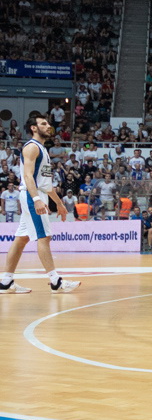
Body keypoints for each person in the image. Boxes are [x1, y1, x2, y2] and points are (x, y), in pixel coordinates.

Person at [0, 113, 77, 294]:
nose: (48, 125)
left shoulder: (43, 150)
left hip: (37, 194)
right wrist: (36, 200)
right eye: (43, 123)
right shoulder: (32, 148)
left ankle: (6, 282)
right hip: (31, 195)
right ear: (34, 128)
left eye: (48, 123)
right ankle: (55, 281)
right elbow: (27, 177)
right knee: (44, 237)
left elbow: (47, 185)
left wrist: (59, 203)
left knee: (22, 239)